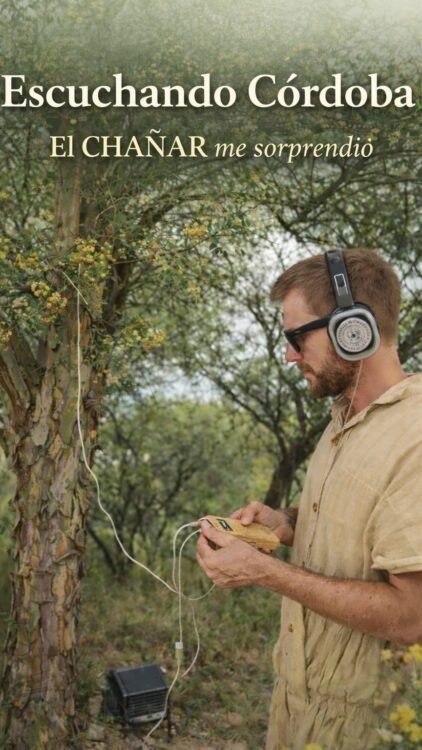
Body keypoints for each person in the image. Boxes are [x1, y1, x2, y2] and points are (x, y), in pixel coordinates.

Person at [196, 248, 422, 750]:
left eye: (297, 337)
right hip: (302, 707)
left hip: (371, 728)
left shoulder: (415, 438)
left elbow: (412, 616)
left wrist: (265, 573)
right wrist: (285, 524)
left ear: (353, 329)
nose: (289, 355)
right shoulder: (344, 419)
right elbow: (362, 527)